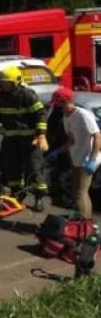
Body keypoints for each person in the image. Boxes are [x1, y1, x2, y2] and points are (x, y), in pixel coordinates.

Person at [0, 66, 49, 211]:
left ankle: (38, 197)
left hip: (29, 139)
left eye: (8, 82)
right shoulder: (0, 97)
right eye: (3, 82)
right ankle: (17, 194)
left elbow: (40, 114)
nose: (5, 85)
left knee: (34, 168)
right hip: (10, 138)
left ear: (17, 81)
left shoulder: (27, 95)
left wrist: (41, 135)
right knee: (11, 167)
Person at [49, 87, 101, 219]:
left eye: (57, 104)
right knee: (80, 193)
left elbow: (97, 136)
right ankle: (88, 223)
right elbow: (72, 140)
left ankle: (82, 224)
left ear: (65, 102)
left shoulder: (83, 115)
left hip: (87, 160)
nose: (56, 107)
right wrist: (57, 152)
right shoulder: (67, 118)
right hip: (76, 159)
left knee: (79, 194)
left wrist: (92, 159)